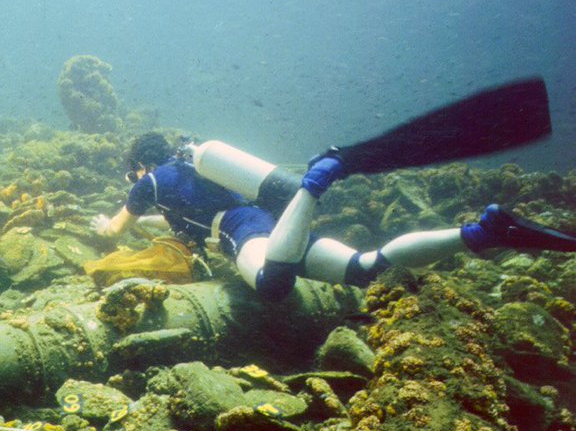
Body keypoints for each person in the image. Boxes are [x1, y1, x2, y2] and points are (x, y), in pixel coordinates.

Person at [93, 131, 576, 302]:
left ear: (139, 166)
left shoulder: (149, 182)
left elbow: (116, 230)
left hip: (247, 230)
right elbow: (179, 220)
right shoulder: (188, 177)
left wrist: (103, 227)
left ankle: (316, 181)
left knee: (271, 284)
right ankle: (481, 232)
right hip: (275, 222)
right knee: (365, 269)